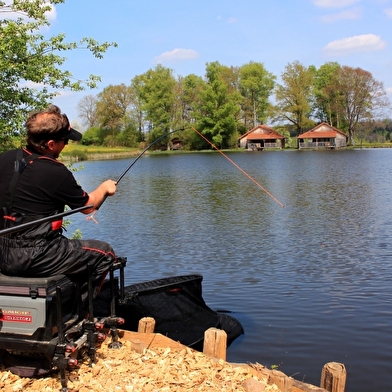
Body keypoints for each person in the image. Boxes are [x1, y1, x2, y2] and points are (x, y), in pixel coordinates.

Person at [0, 104, 118, 296]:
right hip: (38, 254)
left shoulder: (5, 159)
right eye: (65, 141)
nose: (66, 145)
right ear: (51, 144)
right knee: (105, 254)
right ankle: (81, 314)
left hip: (3, 252)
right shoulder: (55, 171)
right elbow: (88, 206)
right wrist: (105, 187)